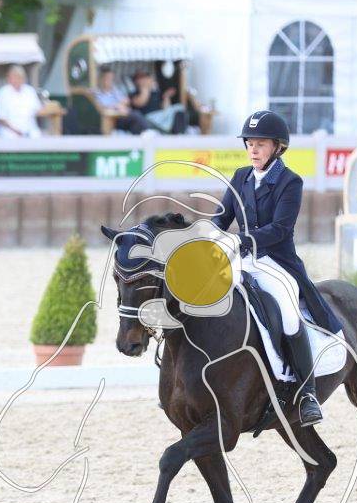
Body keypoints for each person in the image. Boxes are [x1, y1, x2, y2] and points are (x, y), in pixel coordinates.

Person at [212, 110, 342, 427]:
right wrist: (206, 236)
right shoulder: (240, 177)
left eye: (260, 144)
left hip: (276, 263)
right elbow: (220, 218)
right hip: (241, 259)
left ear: (277, 147)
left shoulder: (289, 182)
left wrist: (242, 239)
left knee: (287, 312)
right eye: (250, 144)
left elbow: (280, 229)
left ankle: (307, 393)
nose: (253, 150)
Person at [92, 68, 157, 134]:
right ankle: (148, 134)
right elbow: (98, 107)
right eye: (107, 78)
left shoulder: (115, 90)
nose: (110, 81)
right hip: (109, 118)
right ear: (101, 79)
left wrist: (121, 105)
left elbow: (125, 101)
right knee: (135, 116)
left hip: (120, 115)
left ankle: (146, 134)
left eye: (111, 78)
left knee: (136, 117)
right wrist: (116, 107)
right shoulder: (95, 93)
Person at [130, 69, 187, 134]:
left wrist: (166, 97)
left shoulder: (156, 93)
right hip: (148, 119)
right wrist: (145, 88)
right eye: (140, 78)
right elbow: (139, 103)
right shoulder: (134, 93)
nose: (145, 79)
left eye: (146, 76)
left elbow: (165, 108)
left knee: (179, 109)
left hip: (160, 116)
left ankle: (179, 134)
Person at [0, 65, 43, 138]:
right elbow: (1, 118)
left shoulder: (30, 91)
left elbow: (39, 110)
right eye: (14, 77)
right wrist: (17, 132)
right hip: (9, 132)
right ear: (9, 78)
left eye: (19, 77)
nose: (17, 80)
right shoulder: (3, 92)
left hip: (31, 131)